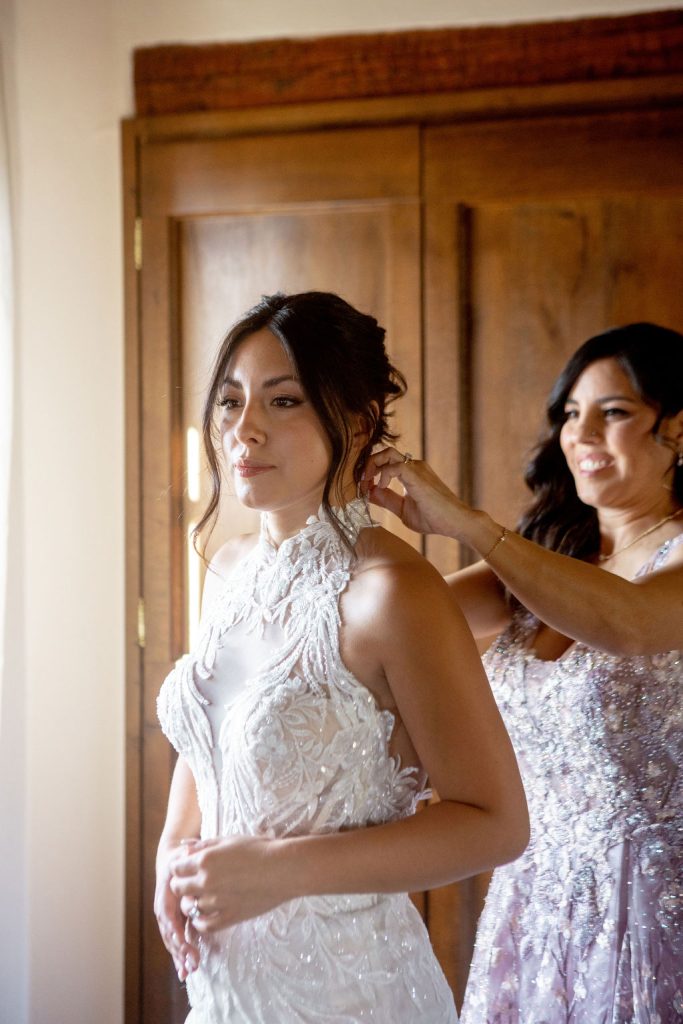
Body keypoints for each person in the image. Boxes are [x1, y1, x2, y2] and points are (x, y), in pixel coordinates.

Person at [154, 291, 529, 1023]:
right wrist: (173, 845)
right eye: (230, 402)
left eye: (283, 400)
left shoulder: (392, 594)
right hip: (226, 988)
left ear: (355, 422)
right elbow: (214, 729)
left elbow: (495, 822)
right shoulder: (226, 568)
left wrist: (282, 871)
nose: (244, 429)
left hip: (351, 993)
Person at [364, 322, 683, 1023]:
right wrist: (341, 503)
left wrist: (468, 524)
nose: (581, 433)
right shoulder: (544, 556)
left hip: (658, 915)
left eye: (615, 411)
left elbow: (625, 623)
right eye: (570, 413)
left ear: (678, 430)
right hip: (534, 907)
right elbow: (411, 627)